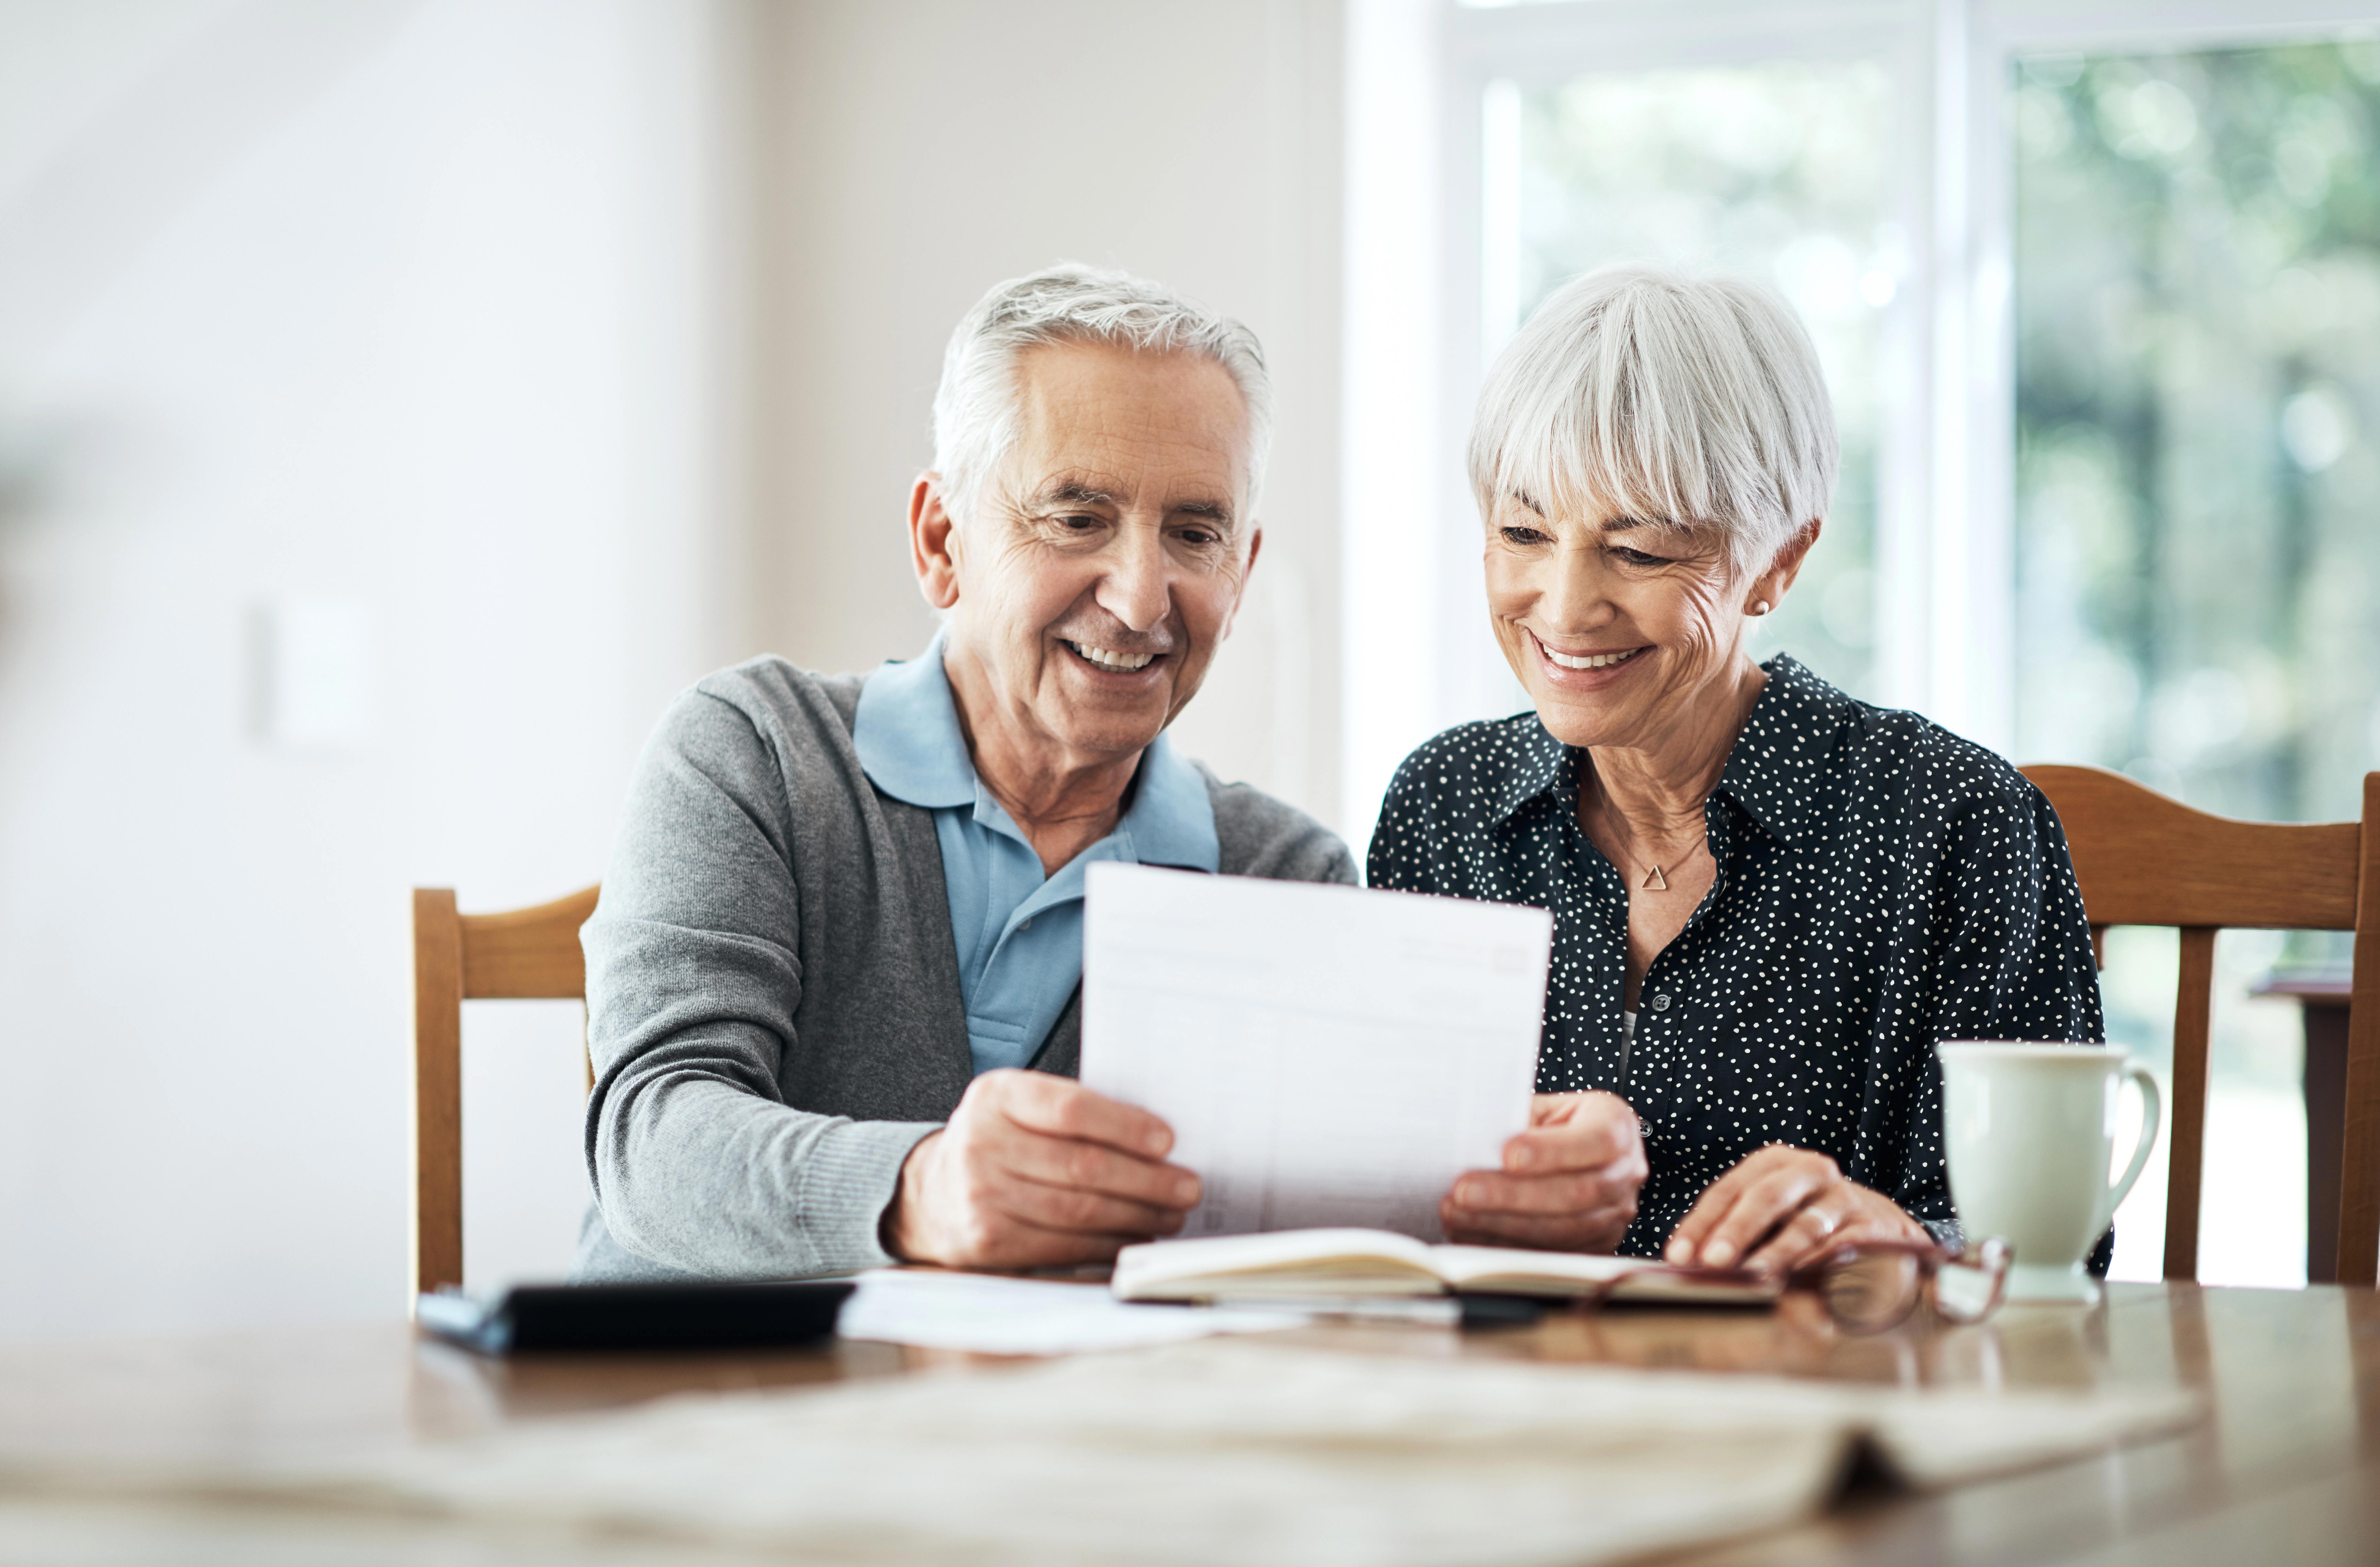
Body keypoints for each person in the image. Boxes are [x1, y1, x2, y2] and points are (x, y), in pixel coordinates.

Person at [577, 265, 1353, 1282]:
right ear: (942, 541)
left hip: (1079, 1426)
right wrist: (925, 1190)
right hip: (716, 1408)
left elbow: (1313, 1246)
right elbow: (654, 1140)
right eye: (1075, 518)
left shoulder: (1287, 875)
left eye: (1193, 534)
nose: (1137, 597)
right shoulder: (753, 752)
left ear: (1240, 573)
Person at [1368, 263, 2103, 1275]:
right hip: (1514, 1400)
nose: (1565, 606)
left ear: (1779, 559)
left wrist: (1896, 1239)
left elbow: (2054, 1248)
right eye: (1522, 533)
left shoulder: (1956, 821)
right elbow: (1377, 1197)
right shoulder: (1440, 806)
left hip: (1835, 1401)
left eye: (1637, 551)